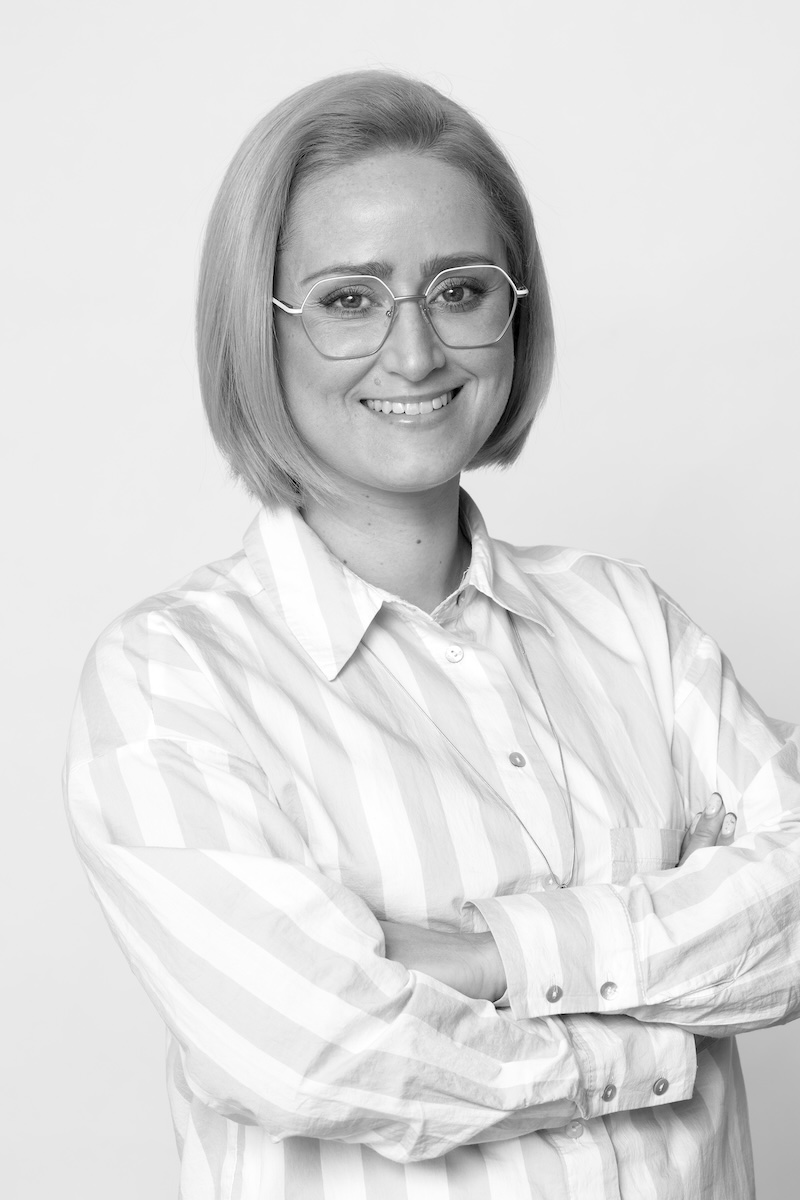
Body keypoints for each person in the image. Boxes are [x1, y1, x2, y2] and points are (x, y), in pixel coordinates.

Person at [64, 70, 800, 1200]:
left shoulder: (626, 622)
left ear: (514, 312)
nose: (414, 354)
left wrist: (491, 956)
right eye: (348, 299)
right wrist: (651, 1038)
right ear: (258, 327)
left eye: (458, 291)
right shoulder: (173, 679)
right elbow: (316, 1052)